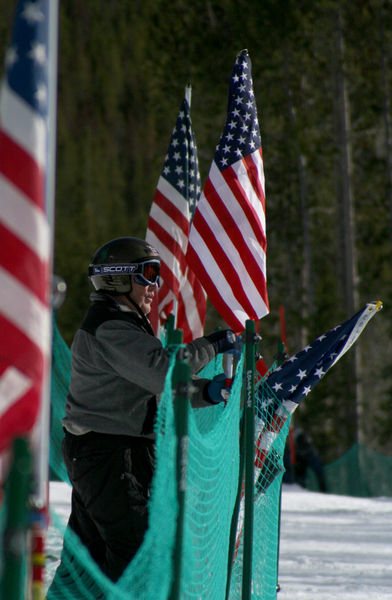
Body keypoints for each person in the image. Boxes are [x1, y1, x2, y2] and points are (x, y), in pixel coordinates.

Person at [60, 236, 242, 582]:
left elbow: (159, 384)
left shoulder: (123, 324)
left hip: (113, 452)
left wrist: (209, 391)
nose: (155, 286)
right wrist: (211, 345)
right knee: (137, 556)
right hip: (108, 454)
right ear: (119, 277)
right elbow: (163, 371)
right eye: (148, 274)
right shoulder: (110, 327)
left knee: (90, 561)